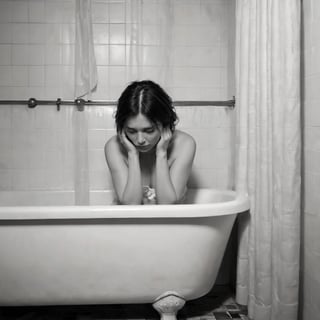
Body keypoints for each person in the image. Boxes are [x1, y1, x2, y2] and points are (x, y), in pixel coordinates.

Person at [105, 80, 196, 205]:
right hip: (128, 223)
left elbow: (167, 204)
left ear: (164, 123)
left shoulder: (185, 144)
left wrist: (162, 153)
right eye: (131, 131)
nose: (140, 140)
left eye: (149, 130)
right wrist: (132, 154)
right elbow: (131, 205)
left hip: (172, 224)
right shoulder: (114, 147)